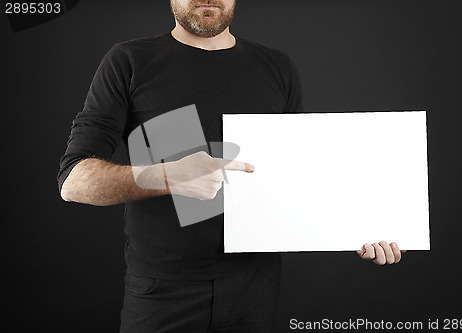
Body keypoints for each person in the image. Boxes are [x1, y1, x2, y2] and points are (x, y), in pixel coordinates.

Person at [58, 0, 405, 331]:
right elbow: (73, 182)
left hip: (255, 290)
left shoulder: (276, 68)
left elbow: (297, 179)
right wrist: (166, 176)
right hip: (162, 293)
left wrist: (362, 224)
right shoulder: (128, 61)